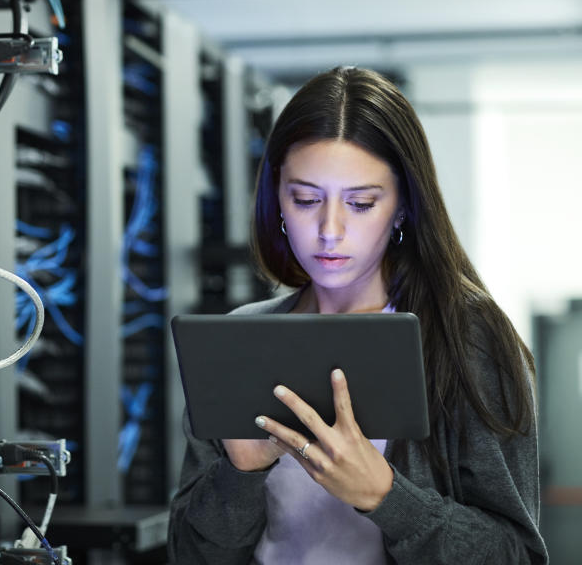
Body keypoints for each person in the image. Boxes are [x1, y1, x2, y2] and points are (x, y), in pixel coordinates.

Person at [167, 67, 547, 564]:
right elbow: (189, 555)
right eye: (305, 199)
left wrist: (386, 497)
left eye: (361, 203)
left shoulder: (469, 339)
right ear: (276, 197)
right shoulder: (245, 335)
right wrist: (240, 473)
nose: (330, 230)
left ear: (404, 207)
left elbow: (514, 555)